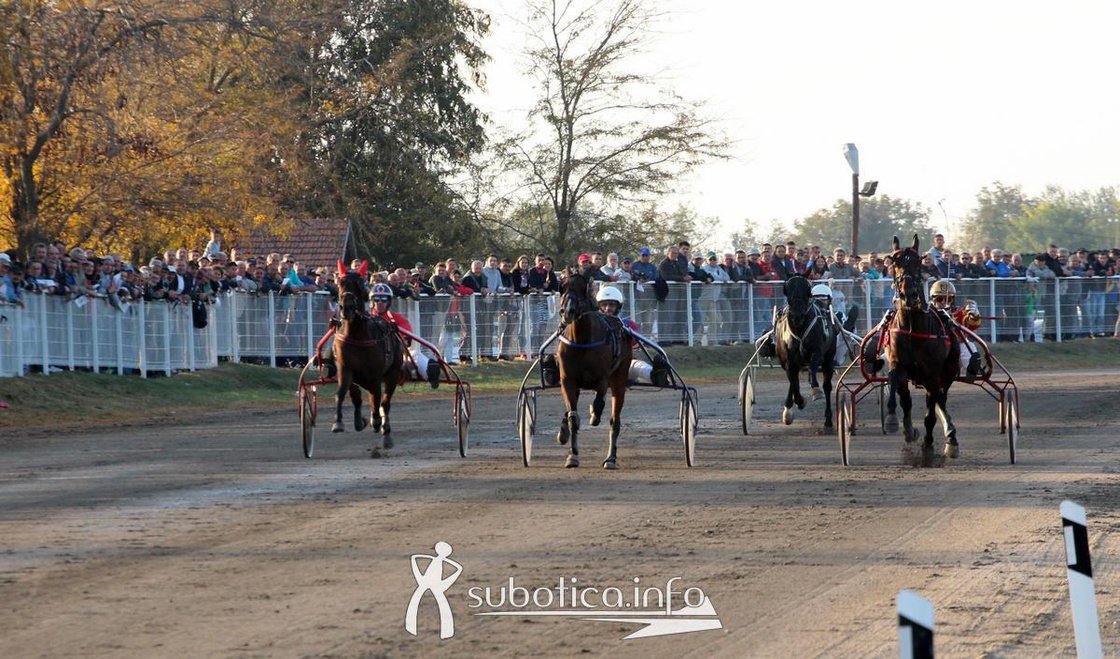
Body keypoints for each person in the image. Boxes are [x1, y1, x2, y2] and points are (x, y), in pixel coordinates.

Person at [370, 282, 441, 388]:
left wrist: (397, 334)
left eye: (384, 299)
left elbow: (408, 339)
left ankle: (429, 371)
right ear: (372, 302)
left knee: (415, 355)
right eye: (377, 299)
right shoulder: (366, 319)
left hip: (396, 358)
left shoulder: (395, 318)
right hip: (371, 359)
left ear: (388, 302)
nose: (380, 302)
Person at [595, 286, 669, 386]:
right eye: (604, 305)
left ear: (618, 307)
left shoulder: (627, 324)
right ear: (599, 307)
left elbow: (638, 344)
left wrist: (627, 337)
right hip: (598, 368)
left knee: (639, 366)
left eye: (612, 305)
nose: (608, 308)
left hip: (621, 367)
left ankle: (657, 376)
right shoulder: (593, 325)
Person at [929, 279, 987, 382]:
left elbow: (972, 325)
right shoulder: (927, 313)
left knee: (969, 345)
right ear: (932, 299)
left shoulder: (956, 313)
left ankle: (972, 368)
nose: (943, 302)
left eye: (948, 299)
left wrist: (974, 315)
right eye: (939, 299)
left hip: (954, 349)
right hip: (932, 350)